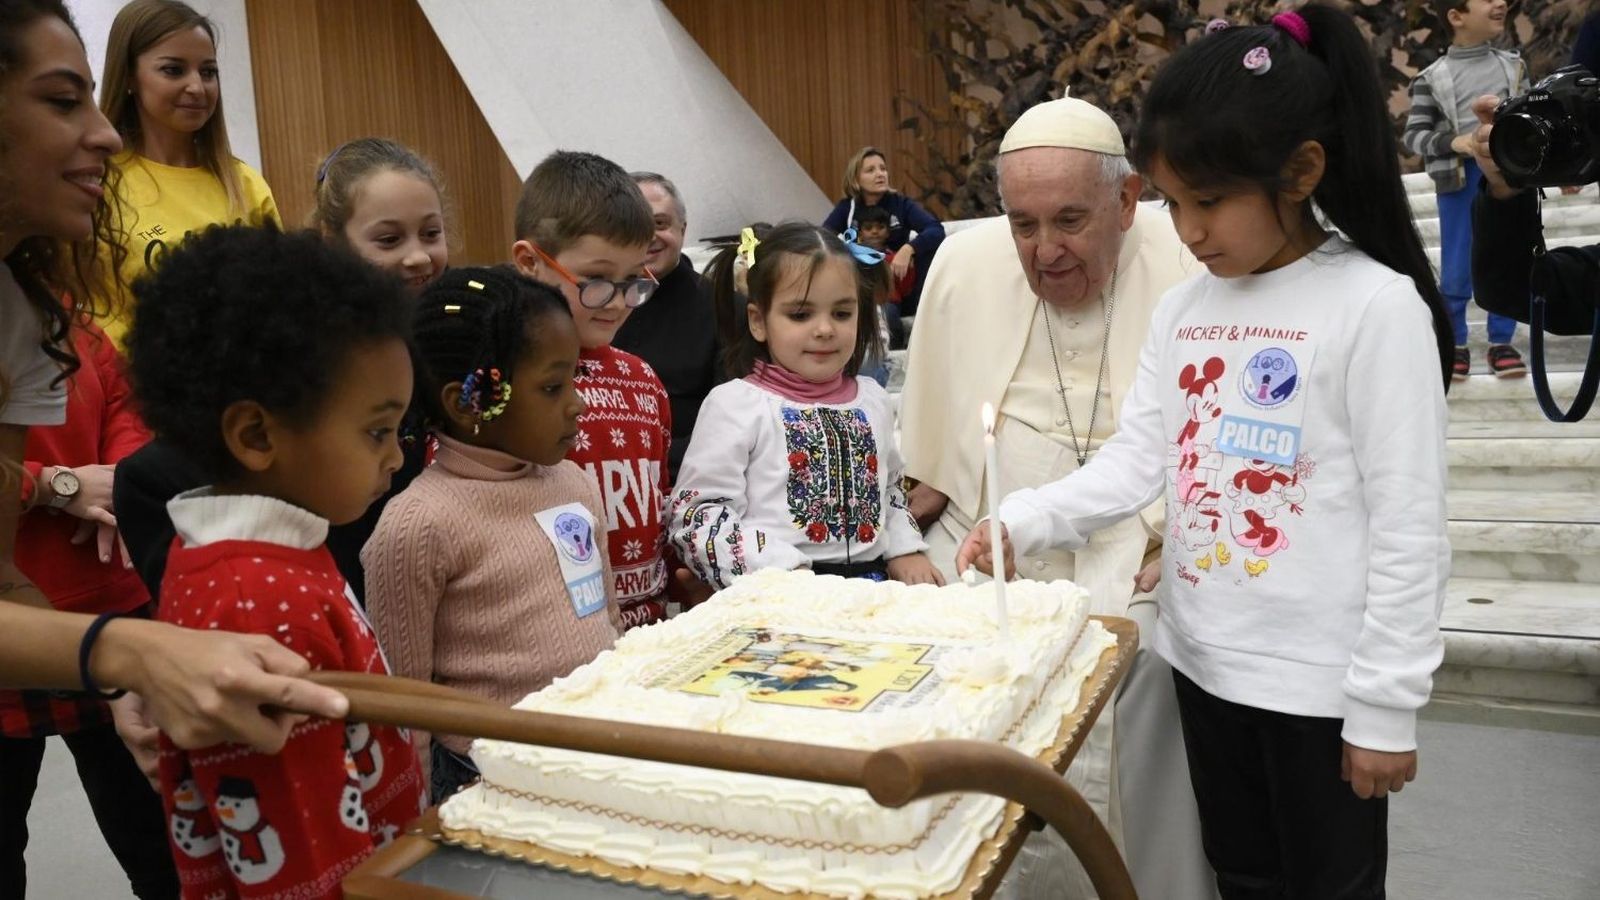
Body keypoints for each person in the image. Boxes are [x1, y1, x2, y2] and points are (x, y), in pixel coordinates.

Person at [959, 6, 1452, 897]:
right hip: (1206, 668)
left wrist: (1385, 703)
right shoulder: (1190, 311)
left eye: (1210, 202)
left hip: (1320, 695)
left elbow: (1409, 527)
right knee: (1242, 879)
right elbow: (1139, 458)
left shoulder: (1373, 310)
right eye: (1175, 204)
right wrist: (1024, 517)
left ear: (1301, 171)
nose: (1187, 232)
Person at [0, 0, 347, 757]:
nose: (98, 133)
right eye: (63, 100)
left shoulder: (20, 310)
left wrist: (127, 672)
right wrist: (137, 654)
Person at [899, 95, 1210, 900]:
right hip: (989, 526)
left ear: (1128, 200)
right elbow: (933, 454)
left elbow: (1193, 451)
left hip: (1139, 541)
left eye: (1070, 220)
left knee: (1145, 667)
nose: (1045, 251)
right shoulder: (965, 266)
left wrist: (1181, 540)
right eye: (1022, 225)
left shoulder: (1193, 265)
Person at [124, 224, 425, 899]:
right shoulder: (253, 600)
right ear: (258, 434)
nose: (396, 456)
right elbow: (300, 860)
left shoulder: (272, 552)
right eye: (377, 431)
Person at [114, 137, 447, 605]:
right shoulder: (251, 586)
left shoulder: (421, 359)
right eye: (376, 432)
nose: (416, 257)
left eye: (431, 233)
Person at [364, 267, 620, 803]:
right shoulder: (418, 524)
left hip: (594, 753)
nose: (577, 403)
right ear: (467, 403)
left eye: (575, 379)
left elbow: (607, 621)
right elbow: (401, 707)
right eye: (552, 387)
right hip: (484, 778)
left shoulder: (573, 482)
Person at [1, 315, 178, 899]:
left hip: (109, 601)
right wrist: (54, 486)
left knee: (163, 849)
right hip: (14, 620)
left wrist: (118, 480)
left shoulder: (55, 306)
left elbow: (122, 397)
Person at [668, 222, 939, 587]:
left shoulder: (872, 399)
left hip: (872, 591)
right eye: (800, 314)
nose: (825, 329)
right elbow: (698, 516)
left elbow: (888, 488)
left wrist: (904, 548)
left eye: (842, 313)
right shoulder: (736, 405)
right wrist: (781, 571)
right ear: (759, 321)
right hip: (778, 596)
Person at [511, 150, 673, 628]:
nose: (619, 302)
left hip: (648, 636)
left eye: (632, 281)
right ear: (529, 263)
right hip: (553, 637)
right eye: (597, 281)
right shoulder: (505, 386)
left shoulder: (643, 379)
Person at [96, 0, 281, 349]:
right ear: (130, 77)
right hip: (141, 394)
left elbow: (281, 295)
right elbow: (95, 324)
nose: (197, 87)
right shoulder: (99, 184)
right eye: (173, 70)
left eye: (208, 72)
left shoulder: (243, 182)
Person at [1402, 0, 1527, 379]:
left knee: (1509, 251)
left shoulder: (1514, 67)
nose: (1500, 3)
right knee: (1457, 261)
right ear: (1455, 16)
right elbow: (1415, 136)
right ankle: (1455, 340)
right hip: (1459, 181)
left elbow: (1535, 120)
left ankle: (1501, 340)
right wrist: (1458, 143)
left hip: (1511, 177)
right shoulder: (1431, 78)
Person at [612, 171, 721, 483]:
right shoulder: (593, 301)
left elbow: (730, 422)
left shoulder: (723, 306)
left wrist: (650, 466)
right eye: (635, 225)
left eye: (660, 224)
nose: (649, 236)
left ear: (682, 230)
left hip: (686, 477)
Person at [821, 146, 944, 314]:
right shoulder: (847, 208)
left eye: (883, 169)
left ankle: (921, 309)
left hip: (897, 283)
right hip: (861, 280)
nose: (880, 174)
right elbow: (823, 237)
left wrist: (908, 249)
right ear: (856, 179)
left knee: (929, 248)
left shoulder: (900, 204)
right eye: (870, 170)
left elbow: (935, 229)